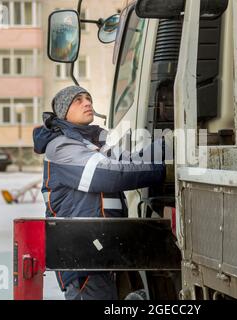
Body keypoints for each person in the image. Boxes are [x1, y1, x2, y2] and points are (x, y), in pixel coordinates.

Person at [33, 85, 166, 300]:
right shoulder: (61, 146)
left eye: (89, 98)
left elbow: (130, 162)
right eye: (78, 100)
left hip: (105, 250)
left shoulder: (96, 141)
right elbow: (109, 175)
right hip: (82, 256)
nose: (87, 103)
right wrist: (161, 170)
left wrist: (167, 147)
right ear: (63, 111)